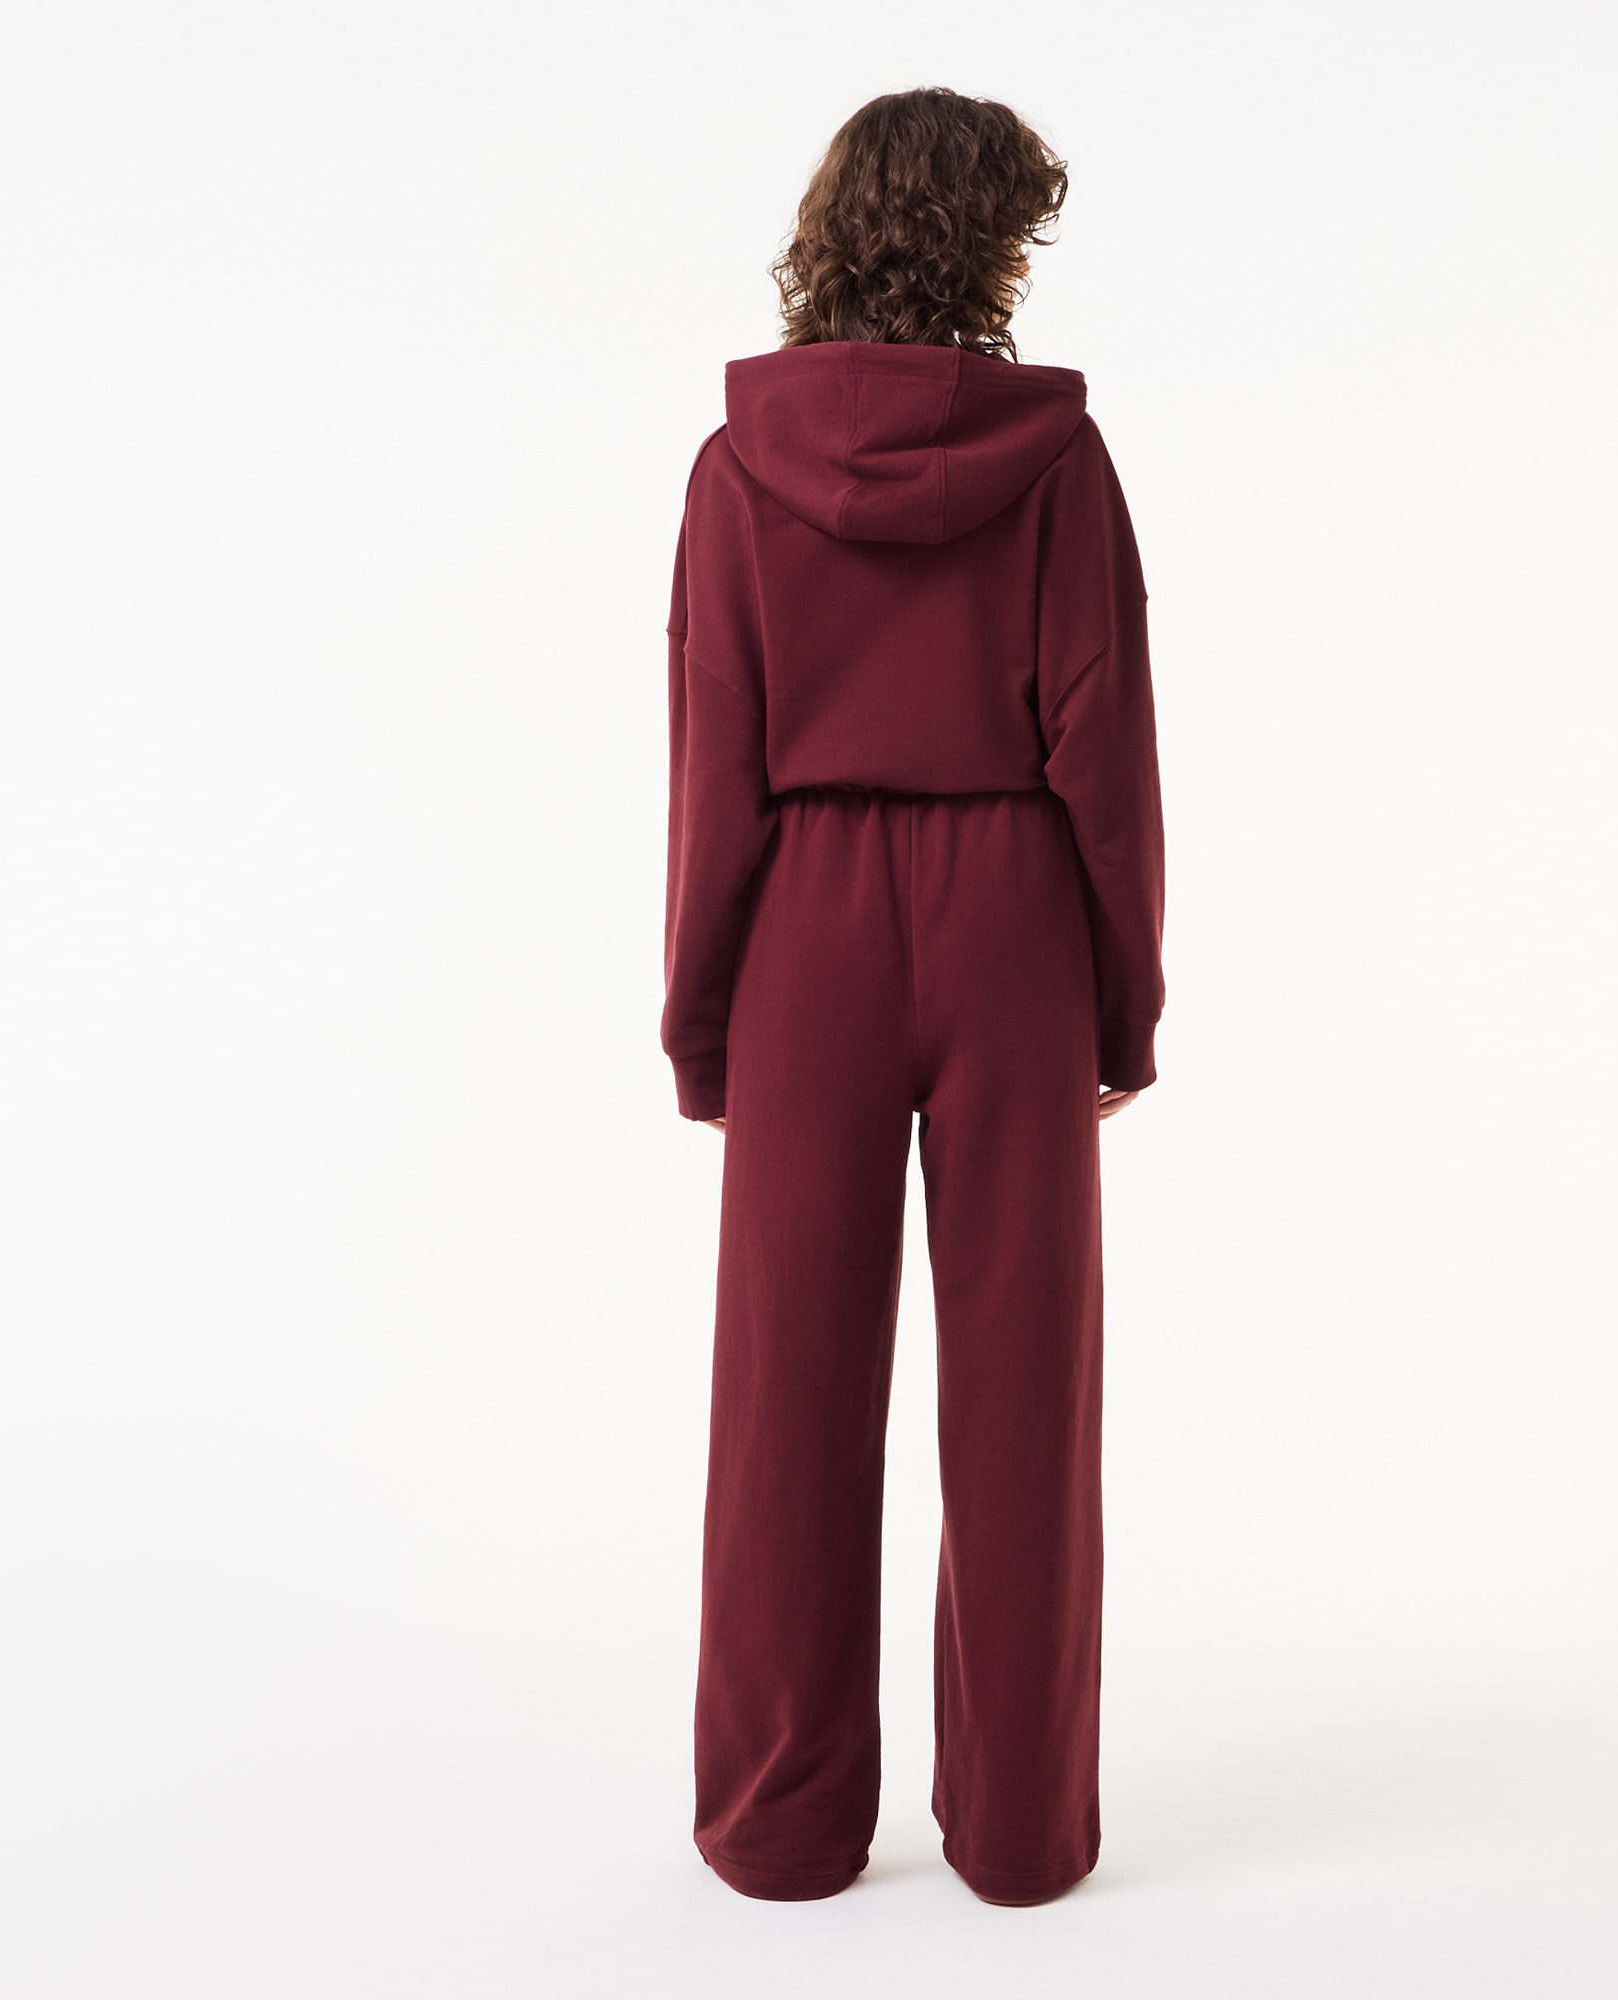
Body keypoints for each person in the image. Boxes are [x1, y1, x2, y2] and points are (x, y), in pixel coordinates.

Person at [659, 86, 1166, 1908]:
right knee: (1027, 1383)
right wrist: (1122, 1005)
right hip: (1015, 914)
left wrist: (704, 1019)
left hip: (806, 926)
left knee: (784, 1388)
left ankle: (780, 1826)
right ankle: (1022, 1833)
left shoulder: (737, 469)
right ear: (988, 250)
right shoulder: (1060, 465)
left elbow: (715, 758)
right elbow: (1105, 748)